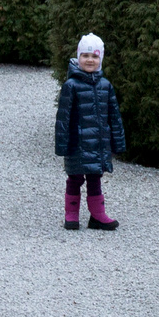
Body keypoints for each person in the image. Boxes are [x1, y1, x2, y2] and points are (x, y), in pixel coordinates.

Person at [56, 33, 124, 230]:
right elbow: (63, 118)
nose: (89, 60)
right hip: (77, 144)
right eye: (85, 56)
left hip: (98, 144)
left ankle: (97, 215)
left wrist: (118, 142)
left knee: (95, 177)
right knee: (75, 177)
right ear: (78, 57)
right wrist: (62, 145)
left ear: (100, 59)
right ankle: (71, 214)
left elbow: (114, 116)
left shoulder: (105, 86)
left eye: (94, 57)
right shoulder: (71, 86)